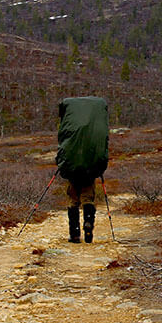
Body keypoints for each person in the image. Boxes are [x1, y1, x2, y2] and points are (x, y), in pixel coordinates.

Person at [55, 96, 109, 244]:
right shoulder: (94, 131)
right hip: (90, 168)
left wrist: (60, 163)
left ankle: (75, 234)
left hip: (72, 168)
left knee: (73, 200)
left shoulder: (70, 129)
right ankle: (89, 225)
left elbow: (62, 146)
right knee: (87, 197)